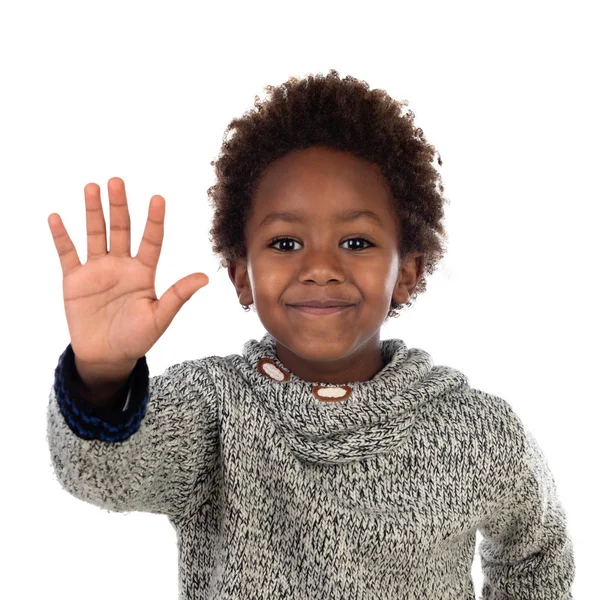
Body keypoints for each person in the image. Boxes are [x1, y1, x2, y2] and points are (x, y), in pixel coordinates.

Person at [45, 69, 575, 599]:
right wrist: (102, 373)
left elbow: (534, 554)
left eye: (356, 241)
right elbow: (105, 473)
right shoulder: (211, 408)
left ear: (407, 273)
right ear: (241, 275)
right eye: (285, 244)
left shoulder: (475, 428)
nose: (320, 267)